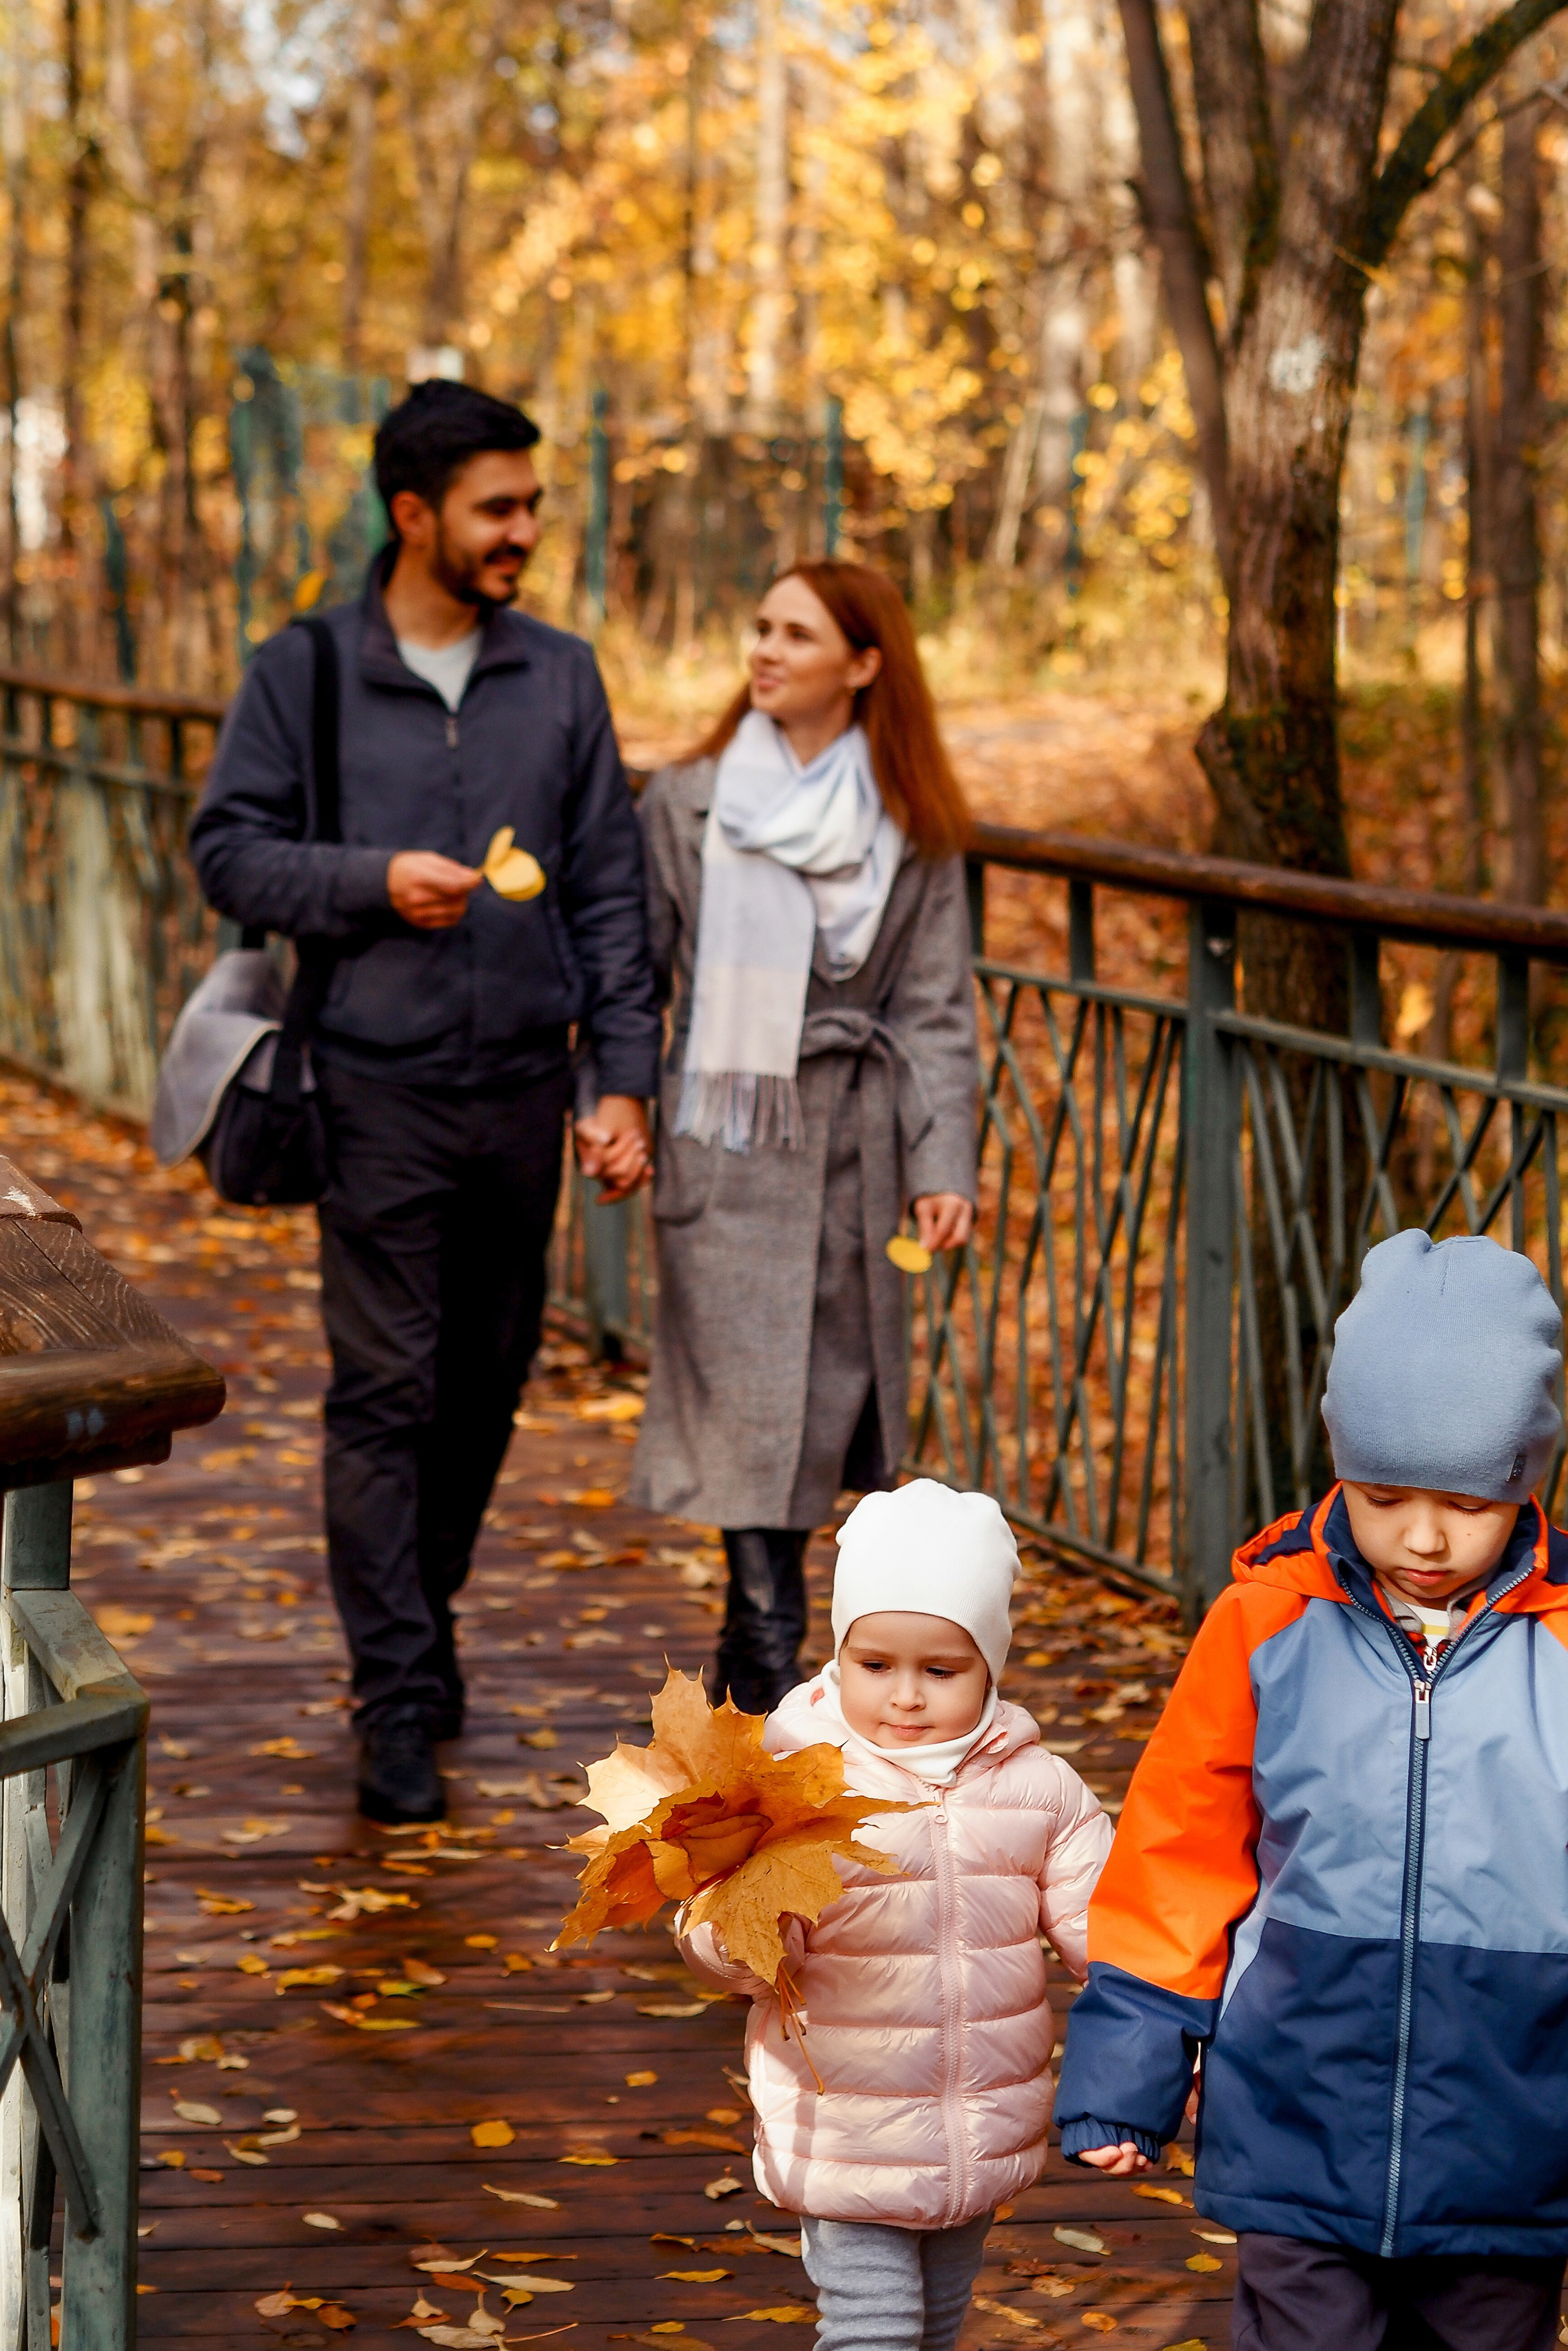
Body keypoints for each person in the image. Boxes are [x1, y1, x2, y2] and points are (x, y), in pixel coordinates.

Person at [189, 380, 660, 1825]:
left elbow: (607, 888)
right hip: (372, 1084)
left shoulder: (561, 674)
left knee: (485, 1380)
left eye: (531, 504)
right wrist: (367, 882)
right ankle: (394, 1689)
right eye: (496, 508)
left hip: (523, 1084)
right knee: (384, 1390)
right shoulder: (307, 668)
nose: (525, 529)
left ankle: (419, 1609)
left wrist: (621, 1075)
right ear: (415, 515)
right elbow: (228, 851)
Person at [1056, 1228, 1568, 2351]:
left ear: (1528, 1477)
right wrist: (1133, 2056)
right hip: (1296, 2114)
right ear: (1340, 1461)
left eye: (1470, 1503)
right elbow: (1178, 1849)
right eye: (1385, 1494)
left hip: (1515, 2137)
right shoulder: (1266, 1621)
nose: (1425, 1537)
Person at [628, 561, 980, 1711]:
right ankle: (768, 1635)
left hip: (853, 1144)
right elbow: (635, 975)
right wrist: (619, 1101)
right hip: (726, 1135)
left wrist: (941, 1162)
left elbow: (932, 1002)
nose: (765, 650)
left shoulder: (913, 820)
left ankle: (763, 1630)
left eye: (797, 633)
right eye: (760, 624)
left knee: (825, 1399)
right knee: (741, 1397)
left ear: (864, 664)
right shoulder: (687, 803)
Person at [677, 1478, 1111, 2351]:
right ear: (840, 1655)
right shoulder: (795, 1783)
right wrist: (742, 1928)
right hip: (845, 2124)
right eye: (875, 1665)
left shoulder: (1039, 1789)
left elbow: (1108, 1929)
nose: (905, 1696)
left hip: (978, 2126)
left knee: (937, 2328)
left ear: (991, 1663)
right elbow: (721, 1936)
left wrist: (1172, 2013)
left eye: (940, 1669)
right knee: (872, 2330)